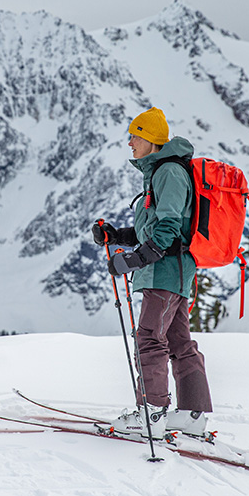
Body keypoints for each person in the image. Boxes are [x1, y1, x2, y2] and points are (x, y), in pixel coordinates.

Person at [91, 106, 213, 436]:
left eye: (135, 136)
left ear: (150, 139)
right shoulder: (160, 171)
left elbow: (169, 229)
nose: (130, 143)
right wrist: (117, 236)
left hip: (165, 272)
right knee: (177, 340)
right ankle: (191, 415)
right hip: (171, 270)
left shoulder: (168, 172)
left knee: (149, 338)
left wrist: (136, 260)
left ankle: (152, 414)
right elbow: (154, 228)